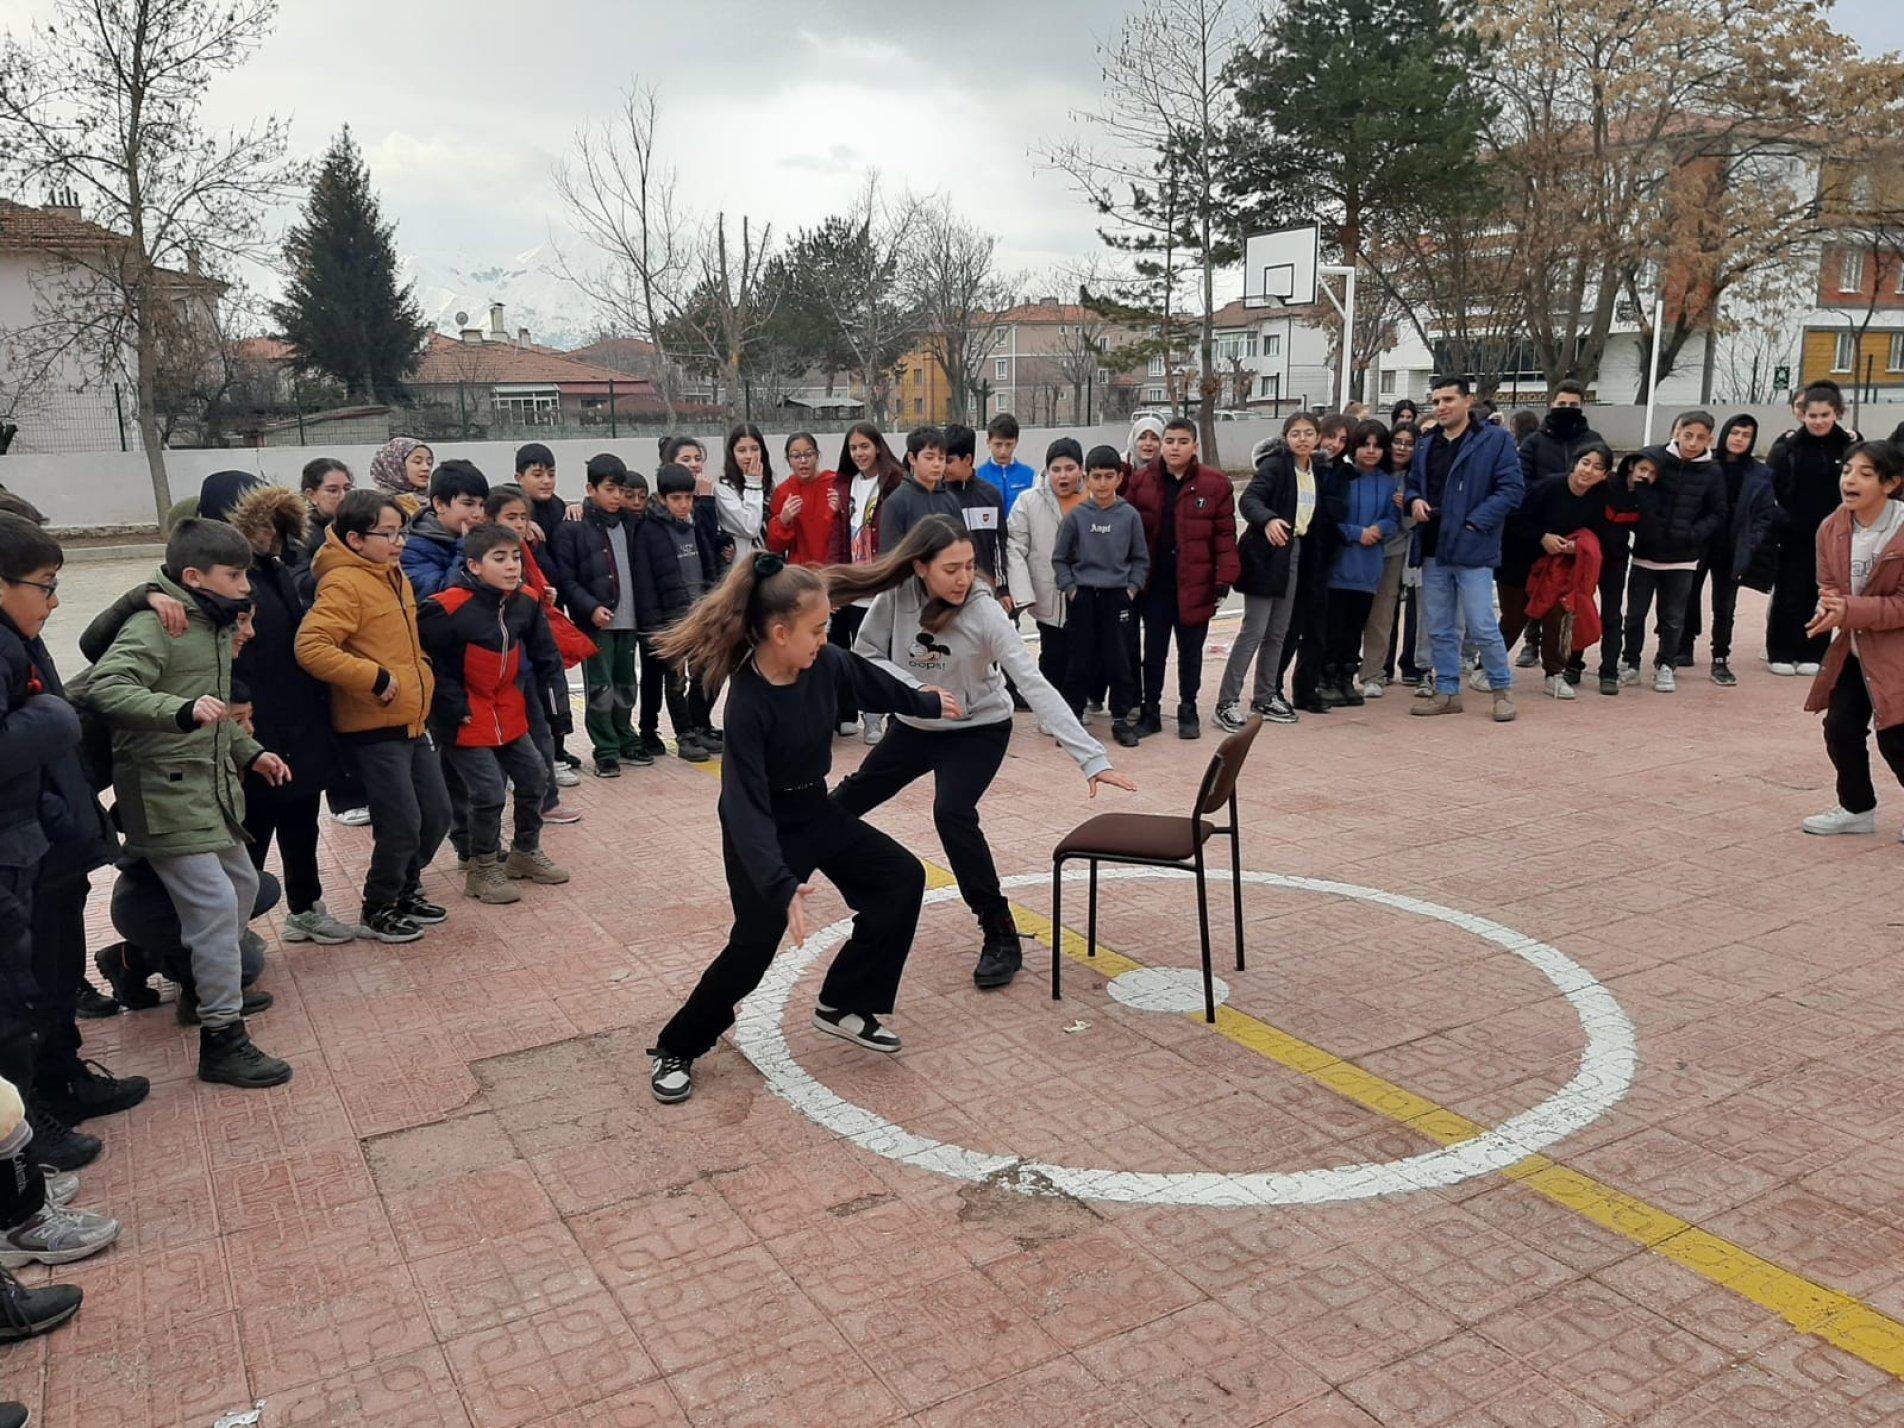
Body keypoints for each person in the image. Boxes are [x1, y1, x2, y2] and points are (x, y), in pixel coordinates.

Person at [644, 553, 954, 1104]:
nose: (824, 639)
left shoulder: (826, 663)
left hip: (815, 808)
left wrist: (924, 701)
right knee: (753, 947)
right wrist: (779, 882)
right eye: (816, 629)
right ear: (780, 633)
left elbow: (871, 682)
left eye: (827, 627)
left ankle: (845, 1004)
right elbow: (743, 804)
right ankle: (679, 1045)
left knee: (900, 879)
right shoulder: (748, 703)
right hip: (762, 826)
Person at [834, 516, 1137, 989]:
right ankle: (783, 867)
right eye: (950, 568)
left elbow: (1032, 681)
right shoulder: (895, 597)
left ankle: (1000, 932)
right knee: (844, 804)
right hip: (916, 724)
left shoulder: (984, 611)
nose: (963, 578)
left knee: (952, 811)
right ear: (920, 567)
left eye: (970, 566)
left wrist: (1091, 757)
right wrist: (918, 691)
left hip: (978, 728)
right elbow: (865, 654)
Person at [82, 518, 295, 1088]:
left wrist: (250, 752)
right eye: (235, 574)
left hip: (206, 791)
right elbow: (104, 686)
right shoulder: (161, 626)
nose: (246, 585)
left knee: (244, 890)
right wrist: (175, 711)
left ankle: (208, 995)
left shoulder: (212, 623)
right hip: (164, 792)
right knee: (214, 907)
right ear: (195, 576)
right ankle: (222, 1035)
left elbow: (217, 710)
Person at [0, 517, 143, 1168]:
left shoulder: (17, 637)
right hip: (21, 851)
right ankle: (34, 1122)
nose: (54, 601)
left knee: (54, 973)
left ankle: (65, 1080)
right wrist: (51, 723)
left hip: (47, 845)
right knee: (23, 992)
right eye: (45, 585)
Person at [295, 489, 450, 944]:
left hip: (412, 719)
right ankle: (378, 905)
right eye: (387, 534)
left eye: (400, 532)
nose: (399, 542)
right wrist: (375, 678)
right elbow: (311, 647)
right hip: (373, 726)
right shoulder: (344, 582)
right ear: (356, 539)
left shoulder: (390, 572)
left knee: (435, 813)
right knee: (400, 822)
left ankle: (406, 888)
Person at [218, 481, 357, 944]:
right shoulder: (221, 583)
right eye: (257, 525)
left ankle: (305, 906)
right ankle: (236, 926)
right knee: (252, 825)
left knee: (301, 817)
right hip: (252, 722)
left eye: (274, 525)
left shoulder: (277, 570)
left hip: (298, 715)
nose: (268, 535)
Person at [416, 523, 570, 903]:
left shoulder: (526, 601)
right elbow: (429, 662)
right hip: (466, 716)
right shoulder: (445, 607)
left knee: (536, 778)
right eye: (499, 559)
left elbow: (547, 656)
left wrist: (556, 711)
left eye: (516, 557)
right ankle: (481, 866)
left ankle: (524, 853)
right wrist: (453, 706)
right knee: (487, 792)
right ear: (473, 565)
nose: (512, 566)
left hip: (509, 709)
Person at [1800, 441, 1904, 838]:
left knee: (1896, 735)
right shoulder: (1832, 527)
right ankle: (1856, 808)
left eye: (1864, 473)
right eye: (1847, 470)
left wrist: (1849, 609)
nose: (1850, 480)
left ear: (1891, 483)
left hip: (1896, 652)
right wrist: (1828, 610)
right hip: (1856, 648)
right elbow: (1829, 585)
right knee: (1841, 728)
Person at [1407, 374, 1525, 722]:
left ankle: (1501, 691)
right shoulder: (1427, 443)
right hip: (1433, 547)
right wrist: (1414, 501)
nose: (1440, 407)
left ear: (1467, 401)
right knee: (1440, 627)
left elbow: (1511, 490)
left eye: (1448, 400)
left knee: (1482, 624)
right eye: (1436, 401)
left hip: (1473, 548)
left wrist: (1475, 522)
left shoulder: (1495, 441)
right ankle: (1447, 692)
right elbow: (1414, 485)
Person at [1124, 417, 1241, 739]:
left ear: (1195, 447)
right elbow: (1129, 533)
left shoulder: (1215, 485)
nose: (1174, 448)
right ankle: (1151, 710)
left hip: (1196, 584)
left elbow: (1225, 537)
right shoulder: (1142, 481)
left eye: (1182, 442)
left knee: (1191, 653)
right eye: (1169, 441)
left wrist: (1224, 579)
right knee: (1155, 653)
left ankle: (1188, 709)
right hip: (1155, 585)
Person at [486, 485, 590, 825]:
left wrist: (542, 593)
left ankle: (548, 801)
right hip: (500, 665)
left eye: (523, 517)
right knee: (501, 741)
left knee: (541, 730)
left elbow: (536, 583)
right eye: (511, 517)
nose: (518, 524)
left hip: (530, 659)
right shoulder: (481, 553)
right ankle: (489, 818)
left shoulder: (526, 548)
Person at [1215, 416, 1319, 730]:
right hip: (1265, 555)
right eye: (1295, 434)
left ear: (1317, 438)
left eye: (1309, 433)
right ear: (1285, 438)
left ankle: (1265, 695)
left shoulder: (1316, 470)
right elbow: (1248, 500)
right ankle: (1227, 702)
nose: (1302, 439)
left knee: (1279, 632)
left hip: (1293, 552)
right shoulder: (1276, 466)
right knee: (1254, 631)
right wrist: (1270, 520)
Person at [1497, 445, 1619, 700]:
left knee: (1559, 618)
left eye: (1598, 467)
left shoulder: (1601, 496)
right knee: (1513, 619)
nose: (1589, 470)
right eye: (1585, 462)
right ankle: (1486, 668)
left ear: (1605, 474)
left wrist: (1578, 547)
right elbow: (1513, 520)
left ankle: (1554, 674)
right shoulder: (1547, 488)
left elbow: (1602, 532)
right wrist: (1542, 537)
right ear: (1574, 463)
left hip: (1560, 569)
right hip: (1520, 562)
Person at [551, 455, 645, 777]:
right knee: (600, 688)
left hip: (630, 620)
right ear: (591, 489)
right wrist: (590, 608)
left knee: (626, 683)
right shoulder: (573, 528)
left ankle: (624, 736)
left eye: (621, 489)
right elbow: (567, 579)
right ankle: (605, 749)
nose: (617, 496)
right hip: (597, 622)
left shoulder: (632, 524)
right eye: (609, 489)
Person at [1620, 411, 1727, 693]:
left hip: (1683, 559)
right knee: (1634, 614)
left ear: (1710, 439)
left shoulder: (1713, 471)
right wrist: (1644, 526)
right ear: (1676, 432)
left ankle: (1666, 665)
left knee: (1673, 617)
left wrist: (1693, 535)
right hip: (1645, 554)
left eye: (1700, 437)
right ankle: (1630, 663)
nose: (1692, 442)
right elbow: (1633, 487)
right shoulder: (1655, 458)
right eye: (1687, 435)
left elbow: (1717, 512)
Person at [1055, 446, 1148, 744]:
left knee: (1119, 659)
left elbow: (1140, 558)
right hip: (1083, 598)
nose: (1103, 483)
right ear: (1087, 478)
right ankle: (1073, 717)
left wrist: (1131, 589)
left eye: (1109, 476)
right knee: (1079, 660)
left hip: (1117, 598)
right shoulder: (1076, 517)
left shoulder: (1129, 516)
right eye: (1097, 477)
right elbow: (1059, 558)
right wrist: (1070, 589)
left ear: (1120, 478)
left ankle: (1120, 719)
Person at [634, 463, 722, 761]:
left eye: (688, 498)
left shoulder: (695, 525)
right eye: (676, 499)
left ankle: (699, 725)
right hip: (670, 621)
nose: (683, 505)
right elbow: (645, 583)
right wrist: (654, 627)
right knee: (675, 680)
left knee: (704, 674)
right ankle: (683, 734)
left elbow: (709, 567)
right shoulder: (649, 531)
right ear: (662, 499)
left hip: (700, 615)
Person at [1513, 382, 1604, 668]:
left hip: (1576, 527)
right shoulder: (1534, 442)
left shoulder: (1592, 438)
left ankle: (1568, 653)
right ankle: (1532, 641)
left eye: (1573, 405)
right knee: (1537, 587)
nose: (1567, 410)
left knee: (1568, 594)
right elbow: (1521, 482)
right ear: (1552, 404)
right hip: (1540, 527)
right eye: (1562, 404)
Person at [1769, 384, 1856, 676]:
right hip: (1794, 535)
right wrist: (1784, 520)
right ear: (1802, 415)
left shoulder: (1850, 448)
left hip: (1835, 536)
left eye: (1825, 415)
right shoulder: (1787, 448)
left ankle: (1813, 651)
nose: (1818, 421)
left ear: (1837, 414)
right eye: (1812, 415)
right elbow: (1770, 492)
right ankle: (1780, 650)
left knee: (1823, 594)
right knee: (1788, 593)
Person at [1684, 416, 1778, 687]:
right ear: (1724, 434)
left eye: (1746, 435)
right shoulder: (1704, 464)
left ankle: (1721, 657)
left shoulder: (1759, 473)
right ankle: (1683, 646)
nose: (1738, 439)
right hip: (1700, 542)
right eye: (1734, 432)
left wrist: (1752, 541)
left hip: (1733, 548)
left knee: (1725, 606)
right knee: (1687, 596)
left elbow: (1764, 514)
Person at [829, 422, 906, 740]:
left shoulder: (894, 482)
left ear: (878, 446)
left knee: (881, 651)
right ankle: (857, 714)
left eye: (864, 446)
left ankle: (879, 716)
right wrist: (834, 582)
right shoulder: (845, 484)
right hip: (852, 582)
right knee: (851, 650)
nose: (859, 453)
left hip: (881, 580)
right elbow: (836, 537)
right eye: (853, 448)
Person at [1322, 420, 1400, 707]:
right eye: (1364, 445)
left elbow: (1394, 519)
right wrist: (1358, 533)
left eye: (1377, 446)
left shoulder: (1388, 482)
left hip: (1369, 568)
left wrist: (1380, 528)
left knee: (1356, 627)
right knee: (1335, 626)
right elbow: (1329, 518)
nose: (1370, 451)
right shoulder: (1341, 476)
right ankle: (1326, 678)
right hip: (1340, 564)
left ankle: (1346, 678)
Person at [1005, 438, 1086, 707]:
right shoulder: (1028, 502)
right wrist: (1023, 595)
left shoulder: (1094, 499)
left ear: (1081, 470)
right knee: (1053, 654)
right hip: (1047, 594)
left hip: (1086, 593)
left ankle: (1076, 706)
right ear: (1047, 471)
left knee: (1081, 654)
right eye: (1056, 469)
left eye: (1069, 468)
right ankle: (1050, 710)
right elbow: (1015, 548)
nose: (1063, 476)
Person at [1362, 421, 1419, 697]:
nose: (1401, 448)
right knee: (1350, 612)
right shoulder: (1368, 471)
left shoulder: (1417, 478)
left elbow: (1413, 524)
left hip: (1393, 552)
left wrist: (1406, 507)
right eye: (1397, 441)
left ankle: (1374, 673)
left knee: (1382, 615)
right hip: (1360, 548)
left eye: (1409, 444)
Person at [400, 459, 489, 599]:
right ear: (439, 504)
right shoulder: (410, 548)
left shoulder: (483, 537)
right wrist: (464, 549)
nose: (478, 513)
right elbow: (437, 598)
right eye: (468, 504)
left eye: (482, 505)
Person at [765, 432, 846, 568]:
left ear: (817, 457)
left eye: (808, 455)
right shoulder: (783, 492)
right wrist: (783, 521)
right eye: (796, 456)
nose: (803, 461)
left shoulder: (836, 484)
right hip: (799, 575)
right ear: (788, 461)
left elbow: (852, 532)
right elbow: (773, 548)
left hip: (834, 570)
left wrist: (841, 510)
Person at [879, 426, 964, 550]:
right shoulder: (896, 502)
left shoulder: (950, 500)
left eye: (941, 458)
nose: (936, 464)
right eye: (929, 458)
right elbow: (889, 555)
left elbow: (961, 544)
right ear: (912, 458)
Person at [943, 422, 1005, 579]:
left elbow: (999, 546)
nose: (942, 466)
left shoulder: (990, 495)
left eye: (949, 461)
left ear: (968, 459)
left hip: (986, 587)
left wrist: (1002, 587)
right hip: (950, 586)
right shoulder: (937, 496)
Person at [714, 422, 774, 563]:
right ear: (732, 454)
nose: (749, 456)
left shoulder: (769, 485)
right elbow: (750, 527)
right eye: (741, 450)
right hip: (742, 568)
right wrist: (753, 483)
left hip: (770, 562)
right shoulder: (723, 488)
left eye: (754, 449)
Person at [976, 412, 1038, 515]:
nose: (1003, 451)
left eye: (1008, 444)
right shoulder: (978, 476)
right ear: (988, 442)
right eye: (998, 444)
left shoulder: (1030, 477)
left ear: (1016, 442)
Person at [368, 436, 434, 520]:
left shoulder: (435, 498)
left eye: (429, 463)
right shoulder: (376, 505)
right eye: (418, 462)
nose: (426, 468)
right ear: (395, 465)